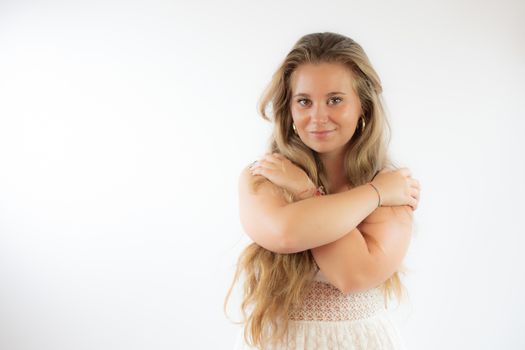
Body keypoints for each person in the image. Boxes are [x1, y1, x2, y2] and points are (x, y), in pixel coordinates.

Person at [224, 32, 421, 350]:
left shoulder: (394, 187)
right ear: (289, 110)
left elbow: (352, 275)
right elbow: (287, 233)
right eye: (304, 101)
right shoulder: (265, 177)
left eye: (335, 100)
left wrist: (305, 190)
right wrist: (375, 194)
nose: (317, 117)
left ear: (363, 107)